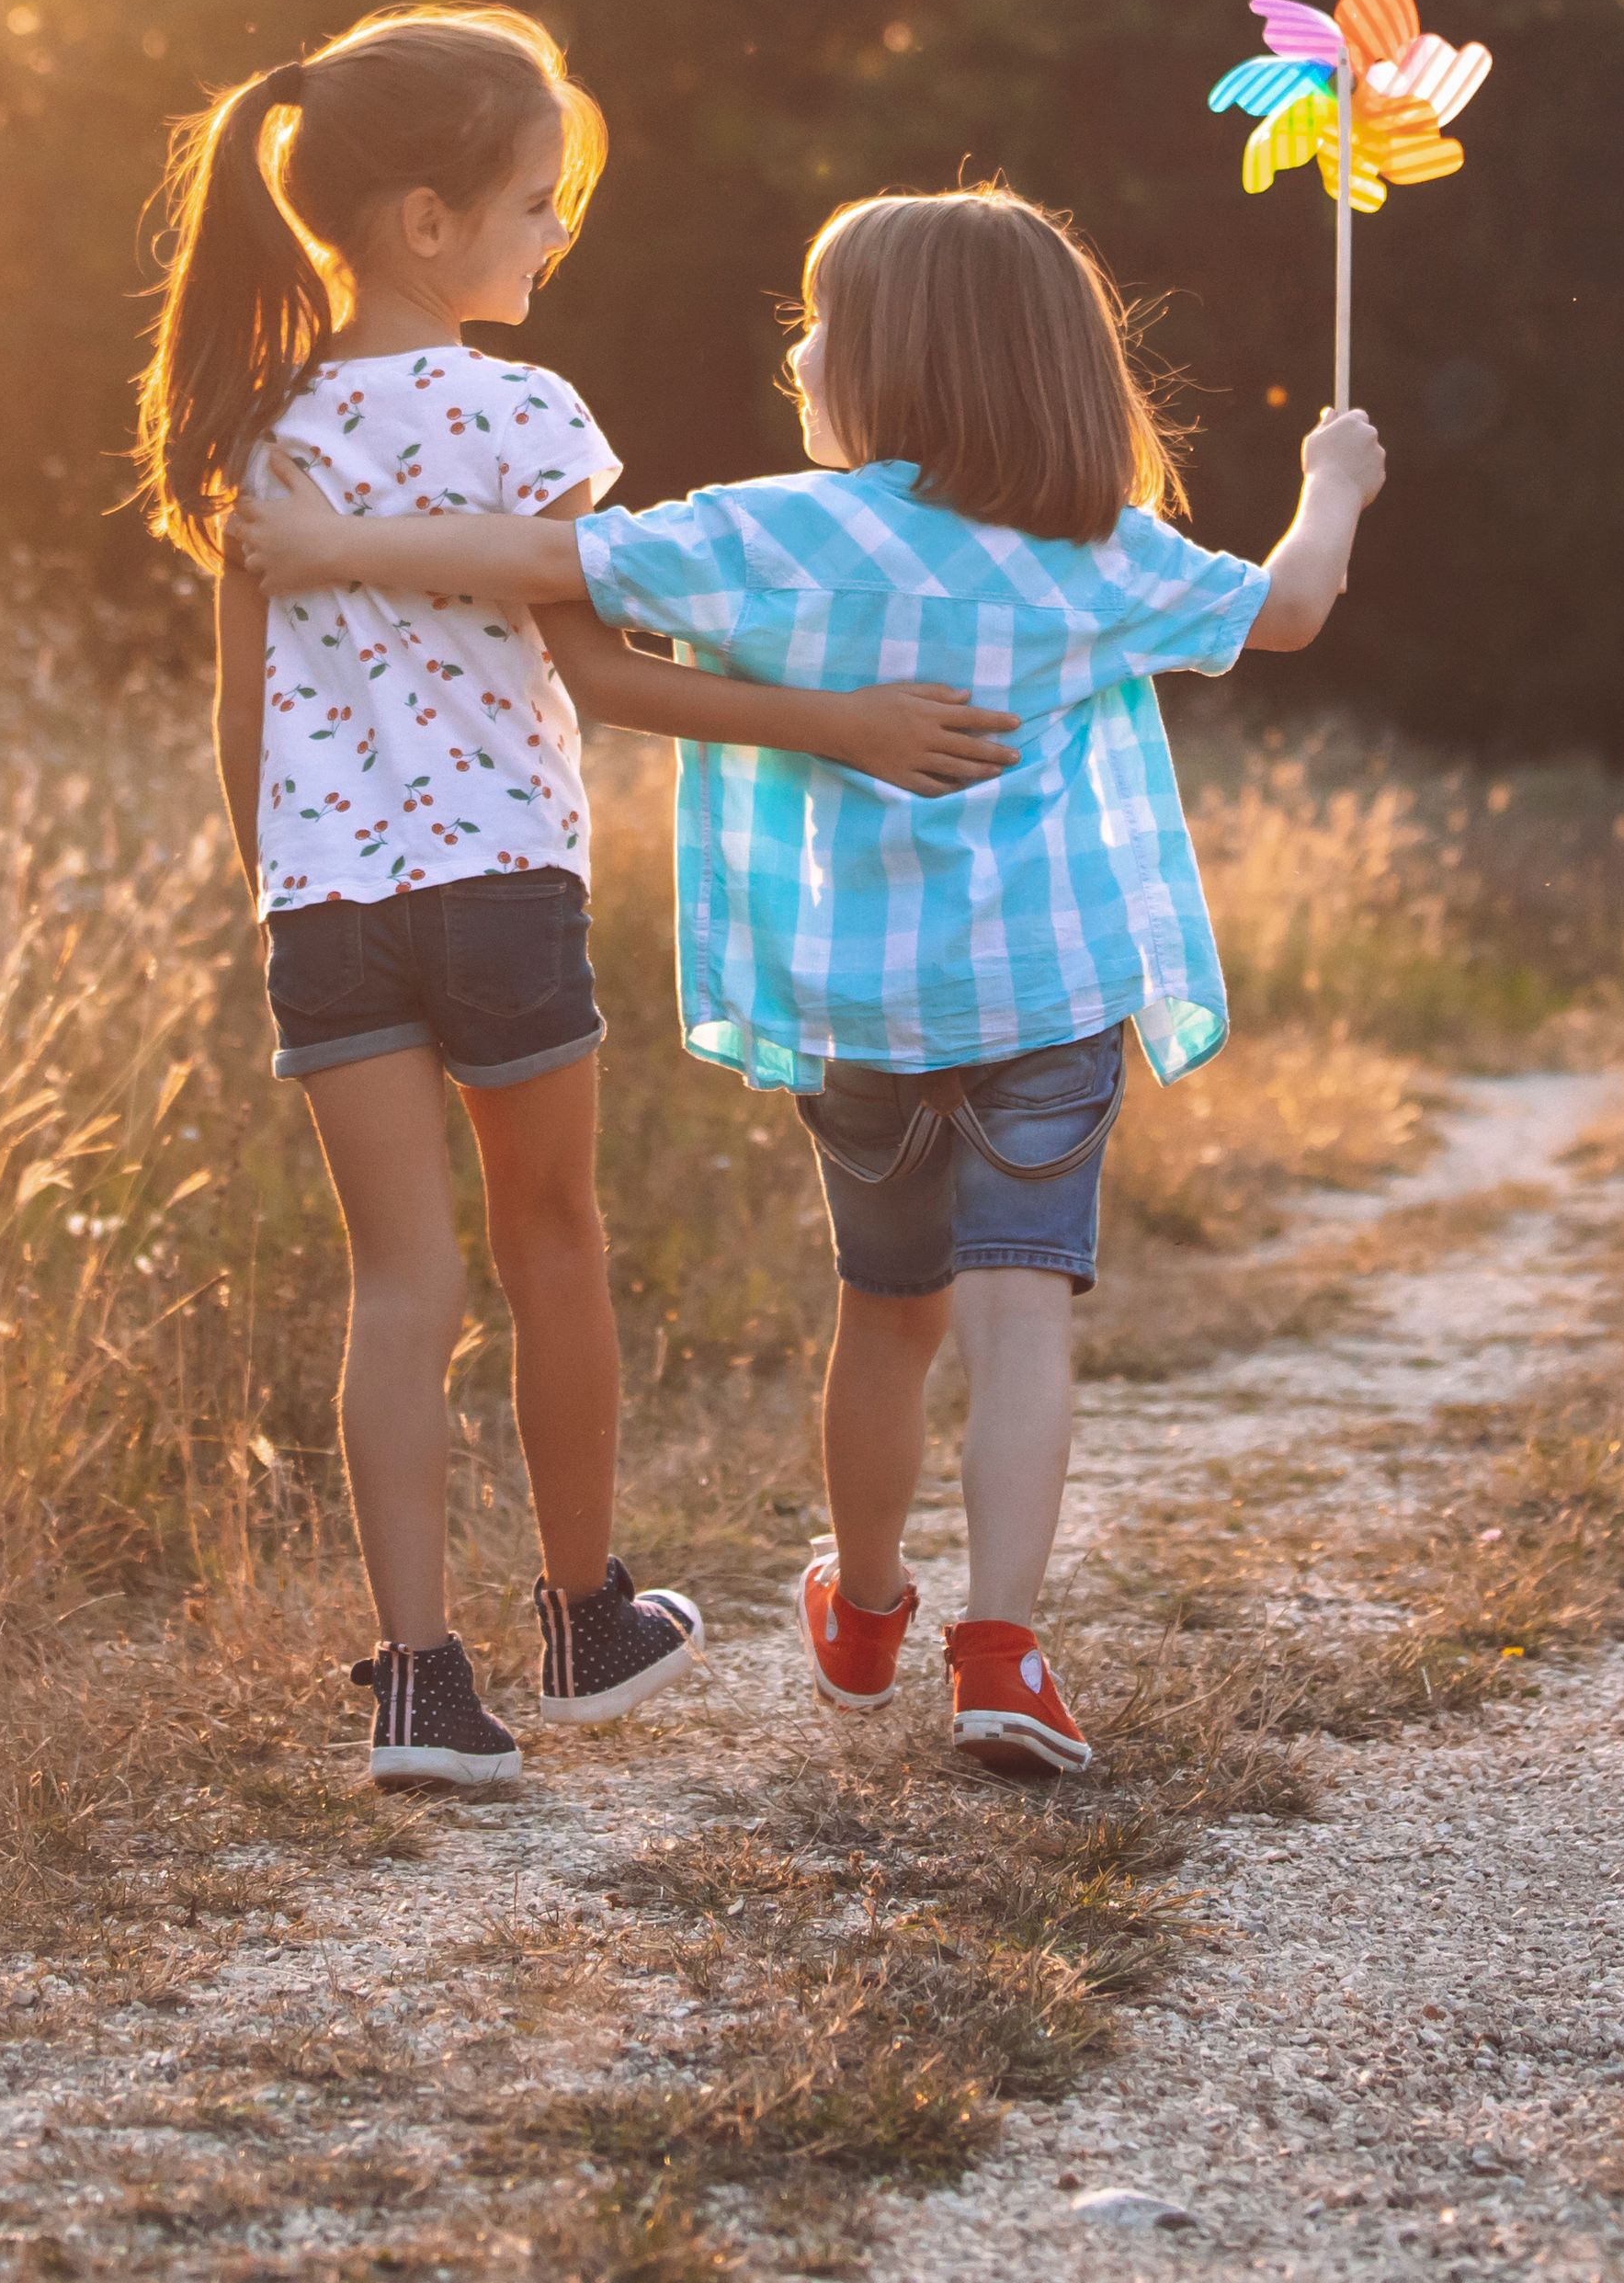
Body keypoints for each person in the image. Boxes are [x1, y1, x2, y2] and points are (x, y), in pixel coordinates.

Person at [239, 185, 1380, 1776]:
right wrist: (1330, 484)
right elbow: (1297, 605)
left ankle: (864, 1605)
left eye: (821, 324)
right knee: (1020, 1319)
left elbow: (543, 558)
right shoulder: (1096, 555)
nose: (801, 352)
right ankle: (1000, 1652)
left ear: (899, 364)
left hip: (866, 1011)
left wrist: (327, 544)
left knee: (887, 1316)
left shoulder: (785, 530)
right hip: (1049, 997)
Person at [137, 11, 1025, 1791]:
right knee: (554, 1250)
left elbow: (242, 720)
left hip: (328, 911)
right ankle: (584, 1616)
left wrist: (284, 893)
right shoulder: (522, 412)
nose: (559, 237)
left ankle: (416, 1689)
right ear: (421, 223)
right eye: (537, 204)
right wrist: (836, 721)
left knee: (398, 1286)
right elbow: (608, 680)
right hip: (502, 893)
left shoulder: (261, 437)